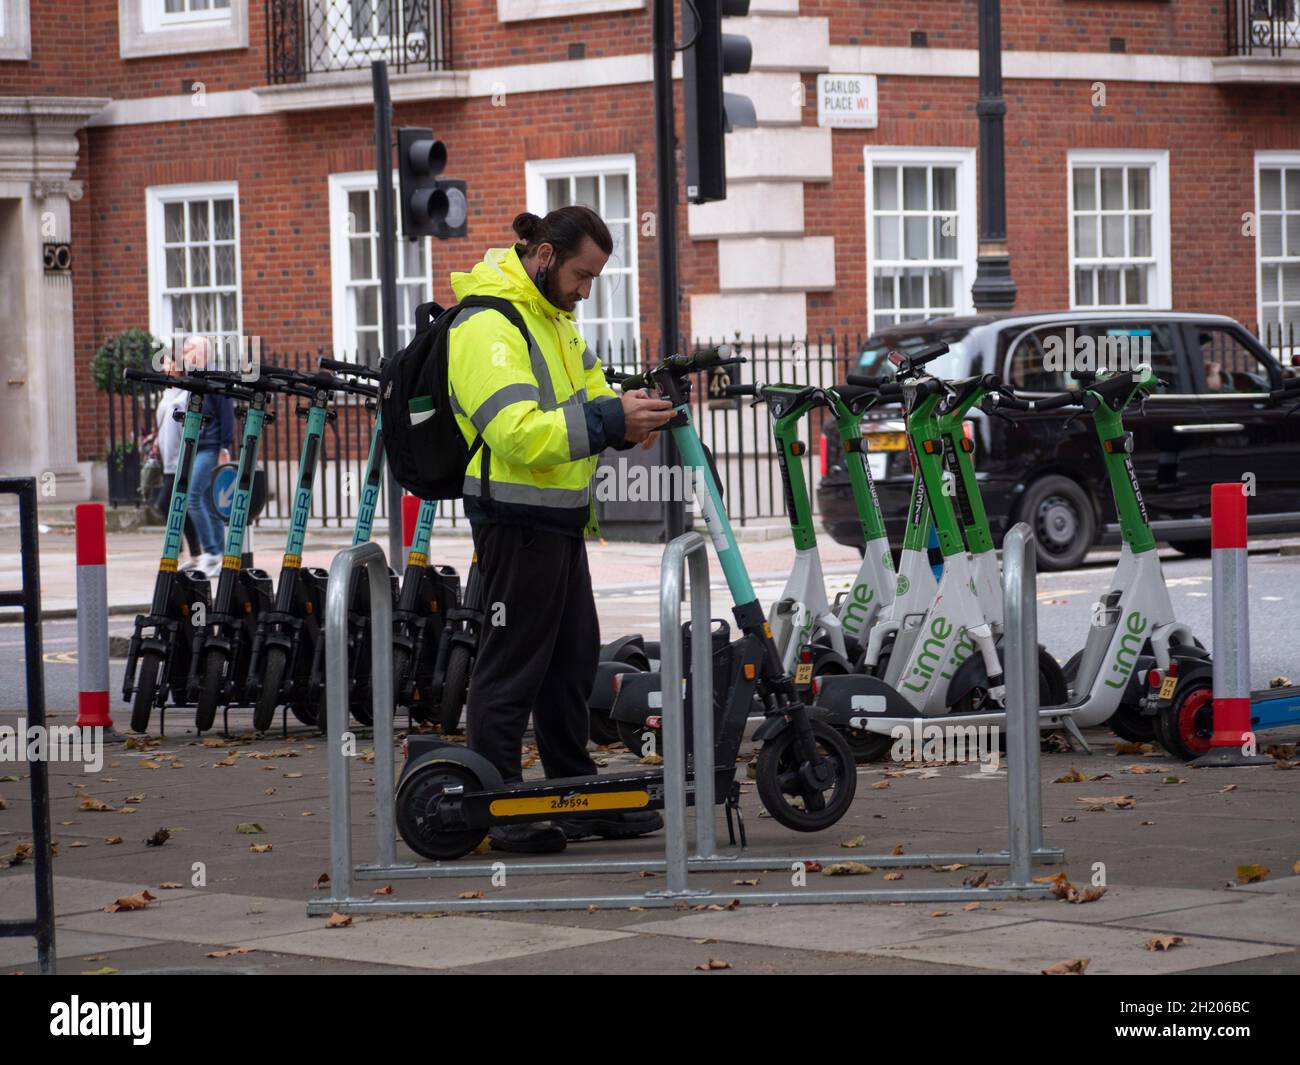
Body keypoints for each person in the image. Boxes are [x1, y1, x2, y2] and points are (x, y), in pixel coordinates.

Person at [448, 206, 676, 854]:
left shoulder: (558, 323)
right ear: (544, 255)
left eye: (595, 278)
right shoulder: (490, 324)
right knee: (510, 670)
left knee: (569, 664)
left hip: (558, 522)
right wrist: (607, 423)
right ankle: (497, 806)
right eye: (581, 274)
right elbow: (514, 429)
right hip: (514, 523)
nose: (585, 291)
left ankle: (571, 793)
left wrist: (633, 419)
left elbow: (596, 395)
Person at [179, 335, 234, 579]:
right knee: (209, 503)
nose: (183, 355)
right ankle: (219, 555)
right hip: (198, 446)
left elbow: (226, 414)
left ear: (201, 354)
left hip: (210, 447)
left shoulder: (213, 379)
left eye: (188, 350)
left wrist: (224, 448)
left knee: (192, 498)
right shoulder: (195, 380)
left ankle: (210, 552)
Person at [153, 352, 203, 569]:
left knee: (166, 504)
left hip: (181, 457)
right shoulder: (167, 392)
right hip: (167, 457)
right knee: (176, 506)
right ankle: (194, 553)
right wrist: (156, 439)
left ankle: (183, 552)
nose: (165, 366)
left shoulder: (187, 393)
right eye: (164, 362)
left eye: (170, 361)